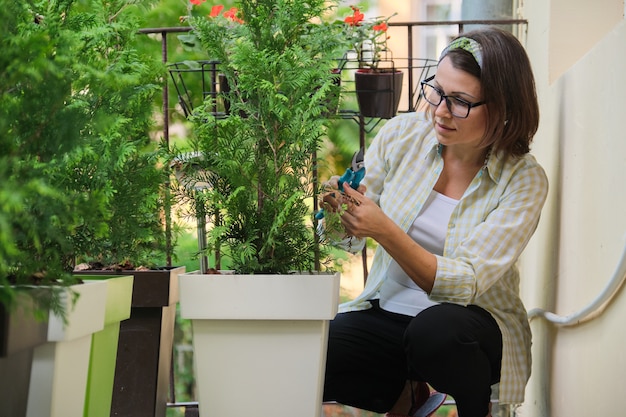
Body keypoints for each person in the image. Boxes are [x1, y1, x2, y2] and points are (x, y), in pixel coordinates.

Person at [319, 26, 548, 417]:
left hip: (471, 325)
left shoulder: (523, 179)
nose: (440, 110)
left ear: (504, 106)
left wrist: (383, 229)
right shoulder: (402, 135)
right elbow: (346, 240)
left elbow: (465, 283)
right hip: (389, 311)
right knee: (318, 347)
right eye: (437, 91)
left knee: (436, 331)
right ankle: (406, 400)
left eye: (460, 101)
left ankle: (475, 411)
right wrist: (342, 212)